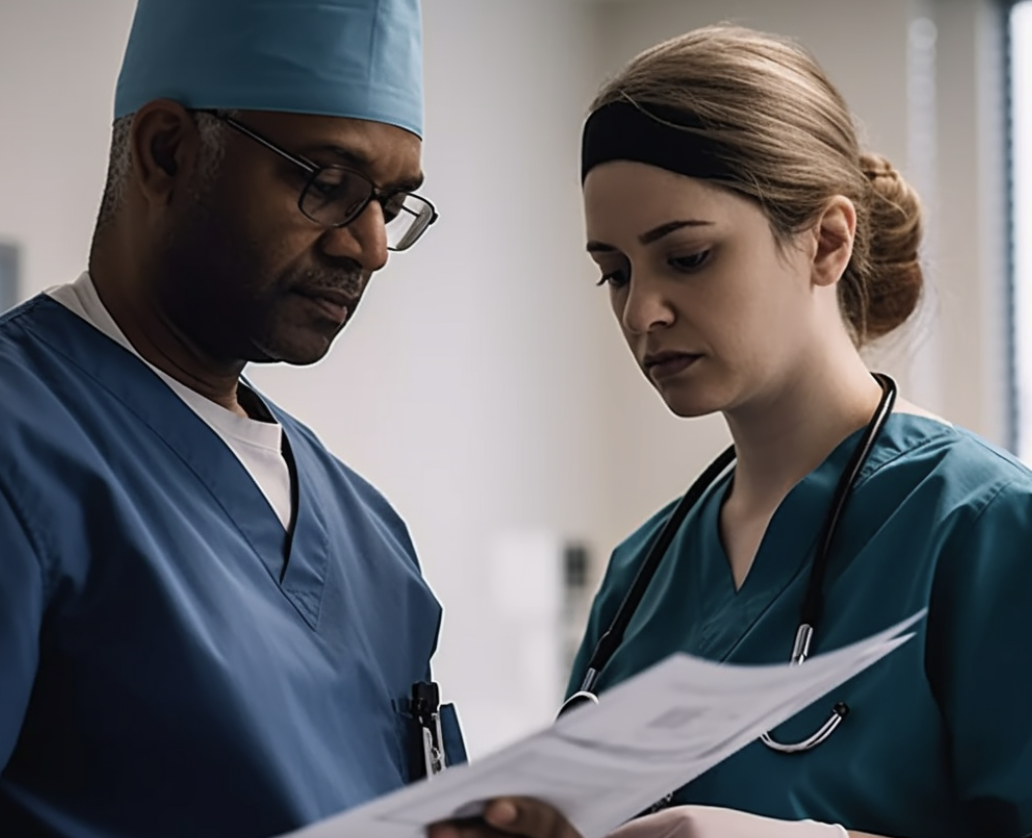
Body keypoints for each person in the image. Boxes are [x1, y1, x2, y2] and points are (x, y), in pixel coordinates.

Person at [0, 2, 576, 837]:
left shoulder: (371, 537)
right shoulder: (23, 444)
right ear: (166, 152)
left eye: (392, 202)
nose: (370, 247)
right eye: (328, 184)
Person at [565, 24, 1032, 838]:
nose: (642, 313)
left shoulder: (983, 530)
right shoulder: (640, 576)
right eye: (616, 272)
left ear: (827, 240)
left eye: (687, 257)